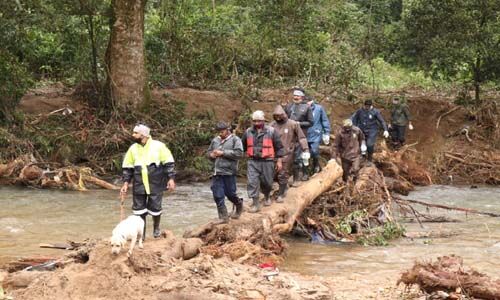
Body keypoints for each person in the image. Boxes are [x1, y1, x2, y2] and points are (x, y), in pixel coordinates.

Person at [120, 124, 176, 239]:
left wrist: (171, 178)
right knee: (139, 210)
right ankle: (142, 235)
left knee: (155, 208)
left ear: (143, 134)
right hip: (139, 184)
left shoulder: (159, 146)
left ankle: (156, 229)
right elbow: (127, 167)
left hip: (155, 182)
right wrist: (125, 183)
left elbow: (169, 163)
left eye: (135, 133)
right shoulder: (133, 148)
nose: (133, 135)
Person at [242, 110, 284, 212]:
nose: (257, 123)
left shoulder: (272, 131)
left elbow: (279, 147)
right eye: (254, 121)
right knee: (252, 182)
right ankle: (256, 204)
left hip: (268, 160)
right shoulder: (248, 132)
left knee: (268, 182)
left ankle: (267, 195)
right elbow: (242, 146)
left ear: (263, 121)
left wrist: (279, 161)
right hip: (253, 161)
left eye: (259, 121)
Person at [207, 121, 244, 223]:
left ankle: (239, 203)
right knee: (217, 195)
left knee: (230, 194)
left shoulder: (235, 140)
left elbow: (239, 154)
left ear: (228, 130)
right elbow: (208, 153)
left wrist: (222, 153)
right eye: (218, 131)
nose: (220, 133)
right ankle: (223, 217)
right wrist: (211, 155)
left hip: (229, 172)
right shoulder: (215, 141)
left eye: (222, 131)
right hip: (217, 172)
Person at [270, 105, 309, 202]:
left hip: (287, 153)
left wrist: (306, 149)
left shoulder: (293, 124)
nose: (278, 118)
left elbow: (302, 138)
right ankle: (283, 188)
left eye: (280, 115)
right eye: (276, 116)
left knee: (283, 173)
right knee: (272, 175)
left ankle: (281, 194)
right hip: (273, 154)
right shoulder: (271, 126)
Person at [284, 88, 314, 181]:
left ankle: (304, 174)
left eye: (297, 96)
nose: (295, 97)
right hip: (289, 136)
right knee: (289, 156)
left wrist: (298, 124)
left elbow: (311, 122)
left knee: (301, 156)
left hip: (301, 136)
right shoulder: (289, 107)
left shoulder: (306, 107)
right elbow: (284, 119)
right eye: (294, 95)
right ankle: (289, 177)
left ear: (302, 97)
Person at [307, 98, 331, 174]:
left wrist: (326, 132)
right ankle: (305, 171)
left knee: (314, 151)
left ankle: (316, 165)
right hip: (304, 134)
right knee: (304, 153)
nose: (308, 103)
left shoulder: (319, 108)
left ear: (312, 101)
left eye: (309, 101)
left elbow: (324, 120)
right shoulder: (302, 108)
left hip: (316, 133)